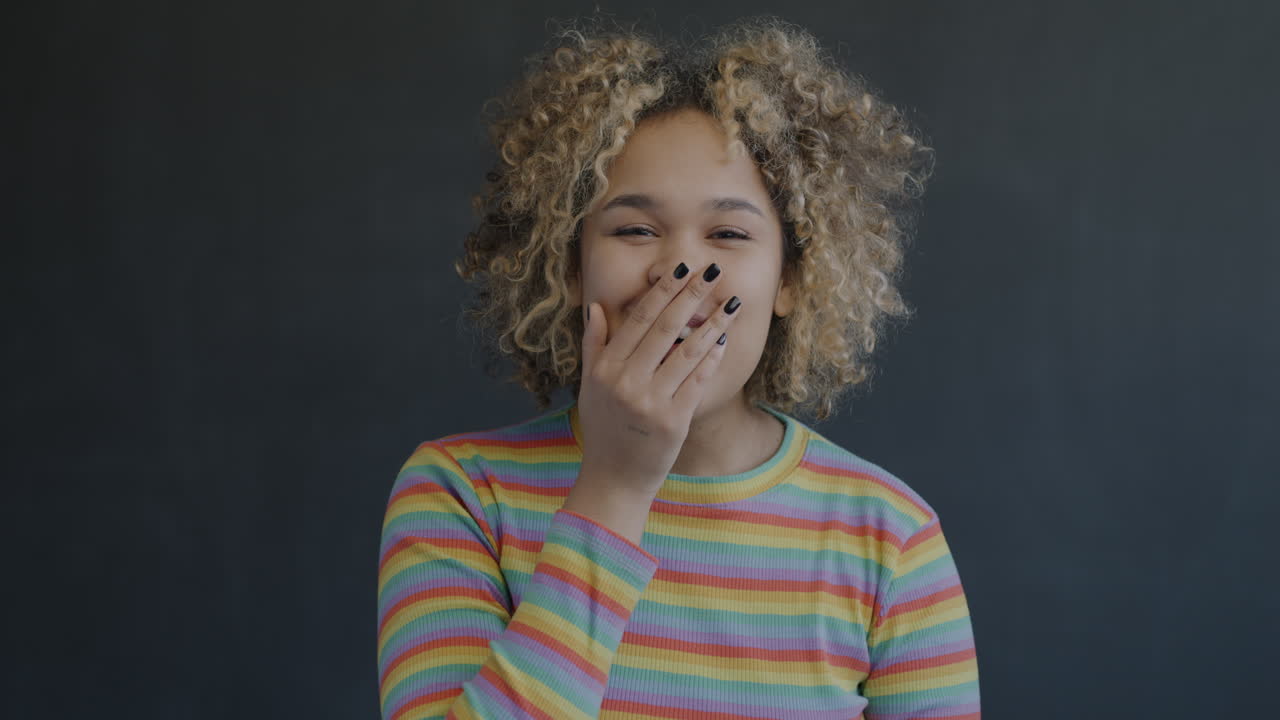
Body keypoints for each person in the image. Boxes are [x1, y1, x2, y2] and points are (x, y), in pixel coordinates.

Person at [376, 13, 979, 720]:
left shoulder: (891, 539)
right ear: (570, 268)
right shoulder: (461, 498)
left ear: (792, 278)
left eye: (728, 233)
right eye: (634, 229)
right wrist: (616, 485)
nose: (680, 273)